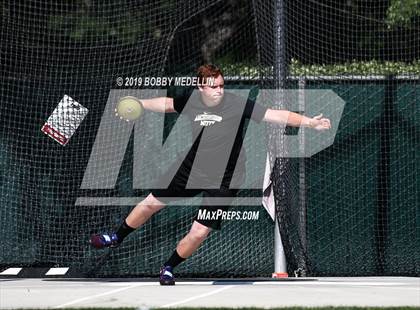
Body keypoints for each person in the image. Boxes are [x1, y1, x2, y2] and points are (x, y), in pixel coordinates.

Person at [90, 64, 331, 285]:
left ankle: (168, 267)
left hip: (226, 179)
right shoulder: (192, 101)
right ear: (200, 87)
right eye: (213, 86)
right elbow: (166, 104)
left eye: (222, 85)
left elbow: (275, 115)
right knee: (150, 203)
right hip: (191, 169)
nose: (219, 90)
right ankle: (116, 237)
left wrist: (310, 122)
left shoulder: (237, 103)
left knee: (200, 231)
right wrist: (141, 104)